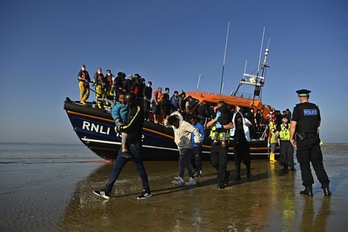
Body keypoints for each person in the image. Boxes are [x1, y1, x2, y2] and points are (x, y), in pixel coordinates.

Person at [93, 92, 152, 200]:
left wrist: (119, 128)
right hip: (126, 144)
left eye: (129, 102)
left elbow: (130, 126)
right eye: (126, 101)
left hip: (134, 144)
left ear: (133, 100)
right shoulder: (128, 108)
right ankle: (107, 190)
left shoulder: (138, 109)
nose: (127, 104)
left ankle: (147, 191)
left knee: (139, 167)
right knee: (116, 167)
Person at [290, 89, 331, 197]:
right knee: (318, 163)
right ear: (308, 97)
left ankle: (308, 189)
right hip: (314, 139)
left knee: (304, 164)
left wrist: (291, 138)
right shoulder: (315, 108)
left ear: (299, 97)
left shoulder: (297, 108)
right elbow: (318, 123)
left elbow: (293, 125)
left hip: (302, 140)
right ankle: (326, 188)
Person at [166, 111, 201, 186]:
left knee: (181, 159)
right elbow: (166, 125)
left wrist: (197, 141)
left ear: (176, 121)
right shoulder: (173, 125)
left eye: (174, 124)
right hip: (180, 146)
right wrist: (167, 119)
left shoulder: (185, 124)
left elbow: (195, 130)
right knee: (186, 163)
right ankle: (192, 178)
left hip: (187, 146)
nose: (174, 125)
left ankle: (180, 178)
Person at [206, 101, 233, 189]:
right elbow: (207, 125)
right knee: (214, 162)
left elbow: (231, 126)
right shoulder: (216, 116)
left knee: (222, 163)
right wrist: (215, 119)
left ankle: (222, 182)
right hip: (214, 143)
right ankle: (225, 173)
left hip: (223, 143)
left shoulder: (227, 116)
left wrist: (221, 126)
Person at [230, 107, 252, 181]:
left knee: (247, 160)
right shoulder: (233, 125)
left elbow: (253, 130)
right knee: (237, 161)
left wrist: (250, 127)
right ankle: (238, 175)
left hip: (245, 143)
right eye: (238, 118)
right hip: (237, 144)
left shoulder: (246, 122)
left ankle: (248, 172)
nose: (240, 119)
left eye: (240, 118)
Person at [111, 91, 129, 158]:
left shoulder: (127, 105)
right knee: (124, 134)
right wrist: (118, 120)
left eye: (124, 98)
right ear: (119, 99)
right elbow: (114, 113)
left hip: (126, 124)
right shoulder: (117, 106)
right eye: (121, 98)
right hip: (120, 124)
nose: (123, 100)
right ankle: (124, 150)